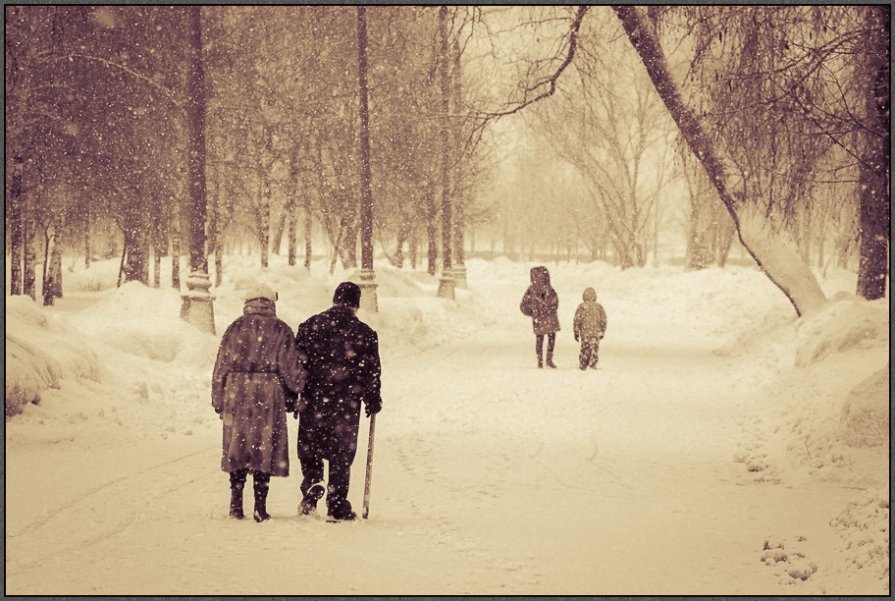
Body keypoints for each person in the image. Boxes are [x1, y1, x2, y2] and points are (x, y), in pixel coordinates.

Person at [211, 284, 307, 522]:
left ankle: (235, 503)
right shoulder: (280, 329)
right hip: (268, 393)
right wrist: (299, 388)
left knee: (237, 446)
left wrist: (218, 398)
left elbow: (221, 366)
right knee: (263, 447)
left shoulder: (234, 328)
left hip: (237, 391)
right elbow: (291, 369)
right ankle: (260, 506)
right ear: (271, 302)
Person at [294, 281, 382, 521]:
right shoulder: (364, 333)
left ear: (334, 300)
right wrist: (372, 398)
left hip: (314, 399)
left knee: (310, 446)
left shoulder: (310, 326)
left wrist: (295, 394)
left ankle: (312, 487)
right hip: (346, 402)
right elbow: (371, 371)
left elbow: (298, 364)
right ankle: (337, 501)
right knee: (341, 452)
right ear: (356, 304)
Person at [519, 266, 561, 368]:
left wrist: (533, 313)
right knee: (551, 337)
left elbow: (523, 306)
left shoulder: (531, 290)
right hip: (550, 319)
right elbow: (556, 303)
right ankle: (549, 359)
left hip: (539, 319)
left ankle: (540, 360)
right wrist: (550, 310)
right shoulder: (549, 289)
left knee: (539, 338)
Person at [573, 287, 608, 370]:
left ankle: (583, 363)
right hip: (595, 332)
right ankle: (593, 363)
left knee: (584, 348)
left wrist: (576, 331)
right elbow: (603, 320)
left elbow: (577, 320)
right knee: (594, 348)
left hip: (585, 332)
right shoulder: (598, 307)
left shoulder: (581, 307)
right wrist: (602, 330)